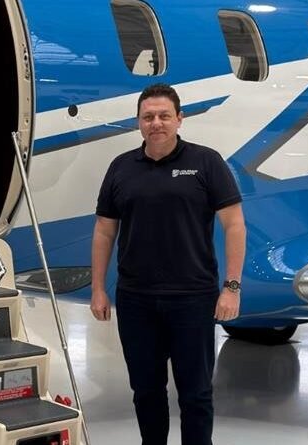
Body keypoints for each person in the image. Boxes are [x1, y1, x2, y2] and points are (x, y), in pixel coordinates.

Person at [90, 83, 246, 445]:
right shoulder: (121, 167)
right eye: (148, 117)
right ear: (138, 122)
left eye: (164, 116)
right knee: (146, 392)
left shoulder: (206, 162)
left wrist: (232, 288)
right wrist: (98, 288)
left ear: (179, 119)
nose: (156, 123)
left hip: (192, 298)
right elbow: (103, 230)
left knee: (196, 394)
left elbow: (235, 225)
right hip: (136, 300)